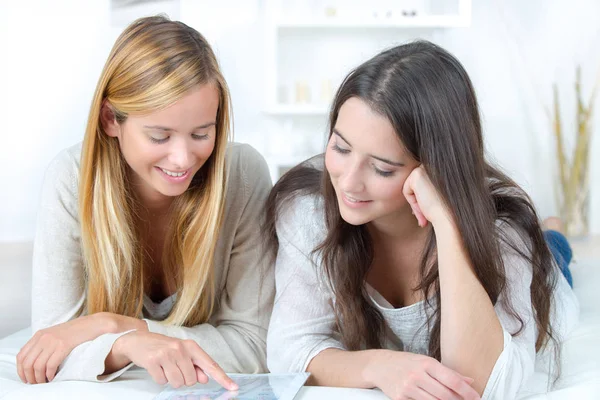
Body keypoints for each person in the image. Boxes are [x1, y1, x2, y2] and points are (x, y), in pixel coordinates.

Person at [264, 40, 579, 400]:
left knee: (555, 257)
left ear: (433, 169)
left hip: (543, 272)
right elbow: (289, 349)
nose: (348, 182)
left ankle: (553, 232)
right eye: (340, 148)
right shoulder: (308, 211)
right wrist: (379, 366)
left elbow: (485, 385)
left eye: (382, 168)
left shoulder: (502, 231)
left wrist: (446, 222)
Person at [16, 16, 273, 389]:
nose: (183, 158)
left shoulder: (243, 176)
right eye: (159, 136)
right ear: (110, 120)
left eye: (202, 133)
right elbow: (51, 348)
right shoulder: (71, 179)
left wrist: (116, 326)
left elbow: (256, 347)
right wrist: (128, 346)